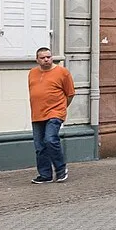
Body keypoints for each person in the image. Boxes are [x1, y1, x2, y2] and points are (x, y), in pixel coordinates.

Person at [28, 47, 74, 183]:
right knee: (39, 146)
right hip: (37, 113)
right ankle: (45, 174)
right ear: (37, 60)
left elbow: (70, 93)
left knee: (50, 139)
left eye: (48, 57)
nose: (46, 59)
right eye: (43, 58)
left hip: (55, 112)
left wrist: (62, 108)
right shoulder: (32, 73)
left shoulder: (62, 72)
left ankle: (61, 169)